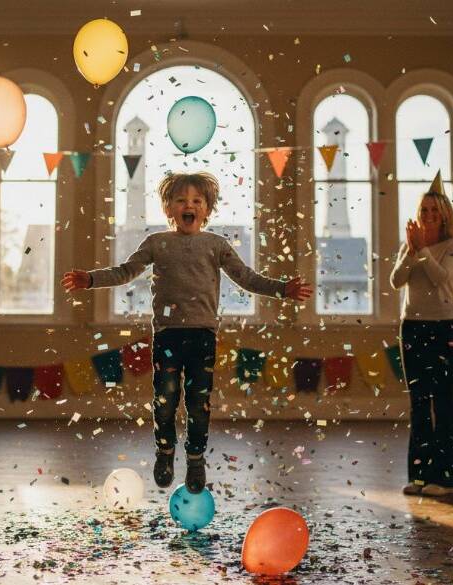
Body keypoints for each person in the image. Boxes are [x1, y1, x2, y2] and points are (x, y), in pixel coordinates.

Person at [62, 172, 312, 493]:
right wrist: (91, 279)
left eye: (196, 201)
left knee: (198, 402)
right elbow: (126, 271)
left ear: (207, 210)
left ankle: (195, 459)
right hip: (167, 336)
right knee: (164, 400)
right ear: (169, 209)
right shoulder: (157, 243)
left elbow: (247, 278)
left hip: (202, 337)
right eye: (181, 200)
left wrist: (282, 290)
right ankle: (165, 453)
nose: (188, 205)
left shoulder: (216, 245)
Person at [389, 173, 453, 497]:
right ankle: (418, 476)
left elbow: (442, 279)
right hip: (413, 326)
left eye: (435, 210)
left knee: (443, 401)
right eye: (424, 210)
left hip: (442, 325)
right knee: (419, 402)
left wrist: (422, 251)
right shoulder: (411, 246)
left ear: (445, 214)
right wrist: (411, 250)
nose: (429, 215)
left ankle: (444, 479)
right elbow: (396, 280)